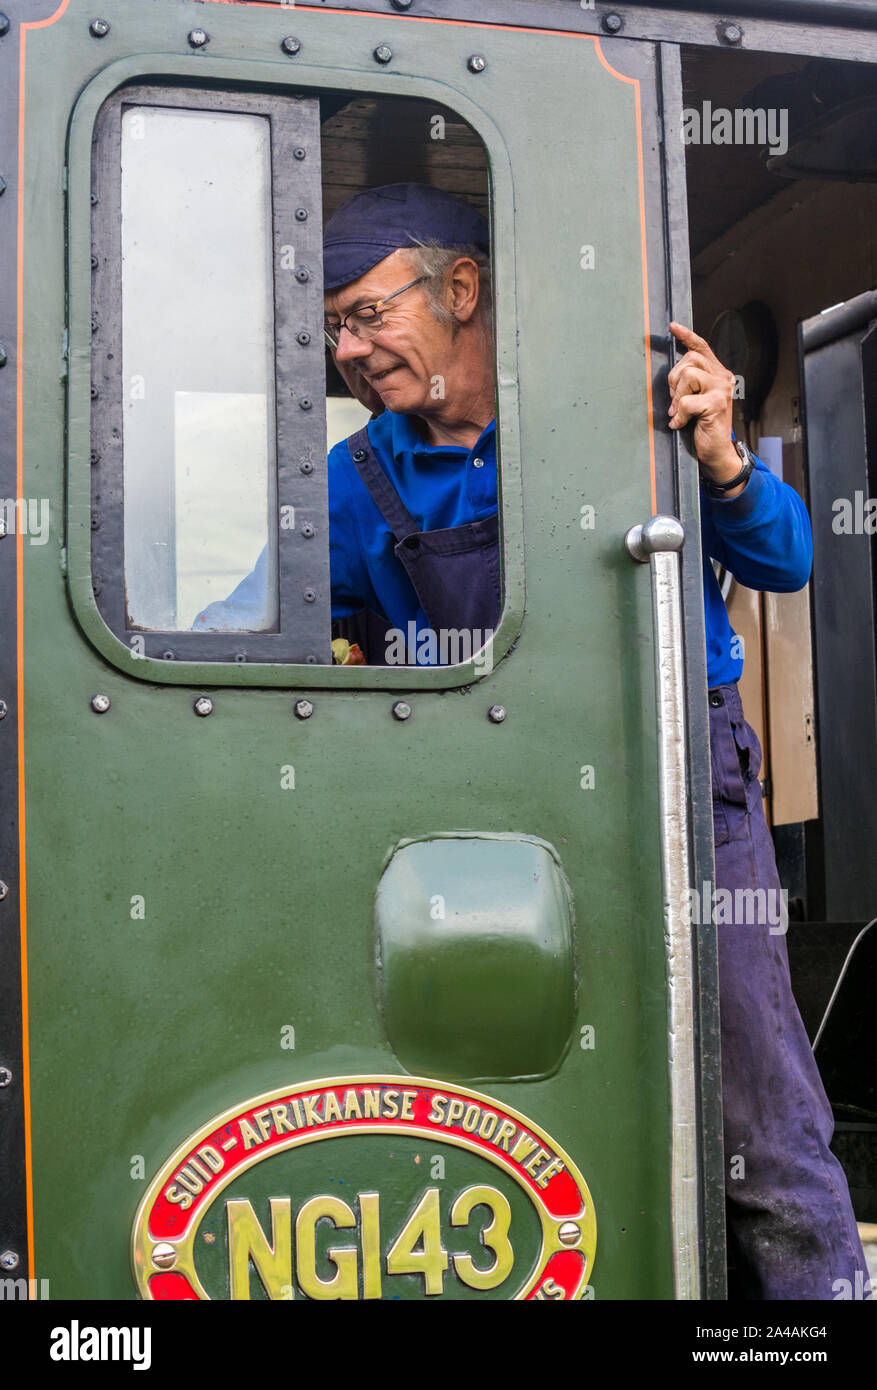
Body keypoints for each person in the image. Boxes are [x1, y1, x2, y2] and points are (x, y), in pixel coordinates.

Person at [202, 180, 868, 1298]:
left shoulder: (627, 411)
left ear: (458, 288)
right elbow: (247, 625)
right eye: (332, 330)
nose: (351, 352)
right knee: (513, 1092)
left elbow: (787, 561)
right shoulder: (355, 481)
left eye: (367, 314)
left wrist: (725, 464)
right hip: (478, 805)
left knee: (754, 1103)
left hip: (679, 782)